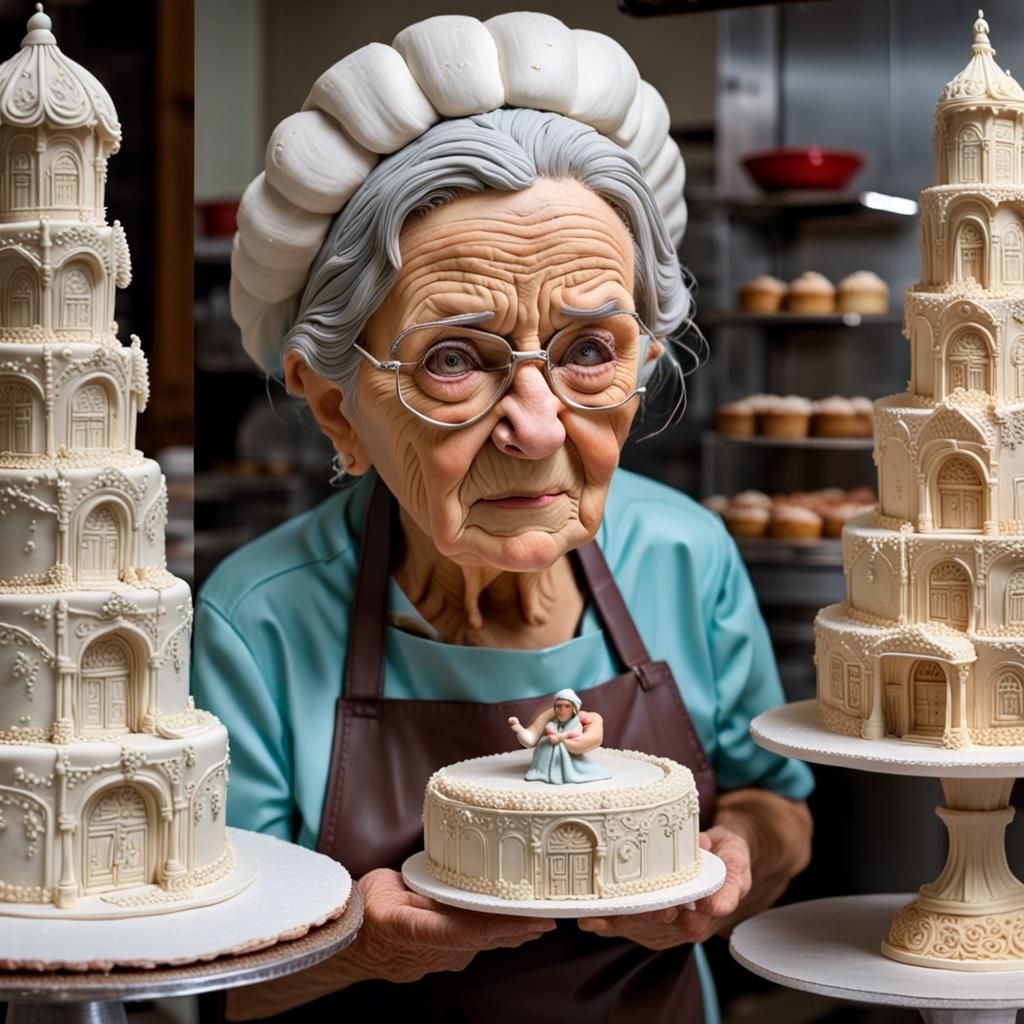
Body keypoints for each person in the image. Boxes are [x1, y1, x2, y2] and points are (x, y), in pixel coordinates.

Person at [193, 13, 814, 1023]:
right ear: (334, 401)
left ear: (644, 360)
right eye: (452, 358)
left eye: (586, 350)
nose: (535, 429)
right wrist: (359, 951)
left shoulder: (685, 555)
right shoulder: (256, 620)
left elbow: (775, 805)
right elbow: (217, 969)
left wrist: (737, 860)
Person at [509, 688, 613, 783]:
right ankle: (541, 772)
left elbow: (575, 735)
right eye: (558, 706)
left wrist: (560, 738)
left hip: (566, 755)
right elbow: (533, 736)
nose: (562, 710)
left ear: (573, 709)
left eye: (566, 706)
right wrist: (520, 730)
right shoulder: (551, 721)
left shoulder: (576, 723)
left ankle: (564, 774)